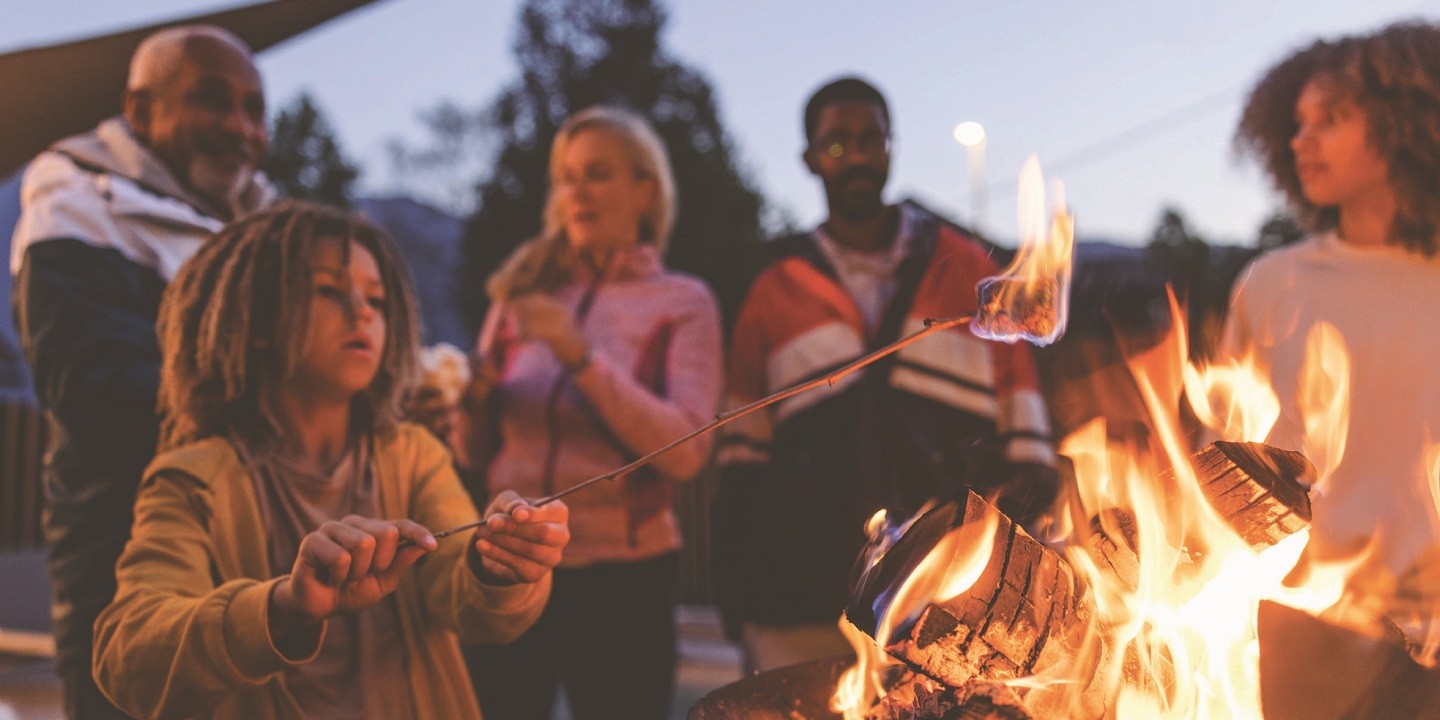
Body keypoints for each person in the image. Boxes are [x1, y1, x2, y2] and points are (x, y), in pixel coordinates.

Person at [90, 202, 568, 719]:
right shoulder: (192, 481)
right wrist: (283, 608)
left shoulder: (412, 456)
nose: (362, 310)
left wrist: (496, 565)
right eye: (327, 290)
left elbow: (463, 594)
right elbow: (129, 655)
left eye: (377, 299)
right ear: (253, 319)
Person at [711, 76, 1060, 673]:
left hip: (944, 607)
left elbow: (1027, 449)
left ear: (892, 147)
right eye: (838, 144)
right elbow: (741, 472)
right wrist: (741, 606)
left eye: (871, 139)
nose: (858, 157)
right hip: (800, 610)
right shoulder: (773, 291)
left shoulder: (968, 270)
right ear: (810, 159)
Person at [8, 25, 273, 719]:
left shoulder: (264, 229)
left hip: (260, 571)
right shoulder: (77, 207)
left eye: (254, 108)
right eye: (213, 100)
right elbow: (101, 396)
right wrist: (294, 415)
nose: (241, 128)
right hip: (125, 580)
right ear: (140, 110)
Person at [457, 106, 723, 720]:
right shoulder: (521, 293)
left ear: (645, 190)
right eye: (567, 177)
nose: (577, 191)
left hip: (623, 576)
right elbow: (472, 451)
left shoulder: (683, 302)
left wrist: (579, 355)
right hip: (510, 559)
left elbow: (686, 450)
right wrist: (472, 397)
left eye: (597, 173)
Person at [1228, 22, 1440, 619]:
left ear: (1410, 121)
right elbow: (1223, 459)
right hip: (1300, 622)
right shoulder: (1271, 284)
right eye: (1296, 124)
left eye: (1331, 119)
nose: (1302, 141)